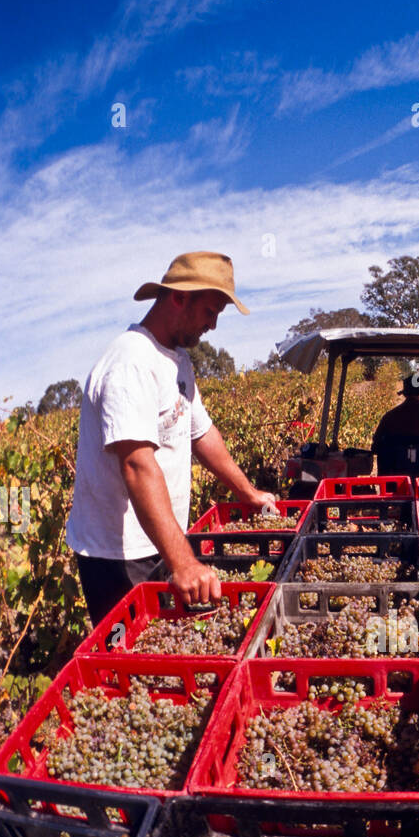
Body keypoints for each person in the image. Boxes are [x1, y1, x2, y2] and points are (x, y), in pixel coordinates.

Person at [66, 251, 277, 626]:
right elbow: (136, 463)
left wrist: (248, 493)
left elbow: (203, 434)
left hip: (159, 540)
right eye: (210, 311)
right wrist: (183, 563)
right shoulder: (131, 362)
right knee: (134, 662)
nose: (212, 325)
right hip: (119, 555)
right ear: (179, 297)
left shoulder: (176, 361)